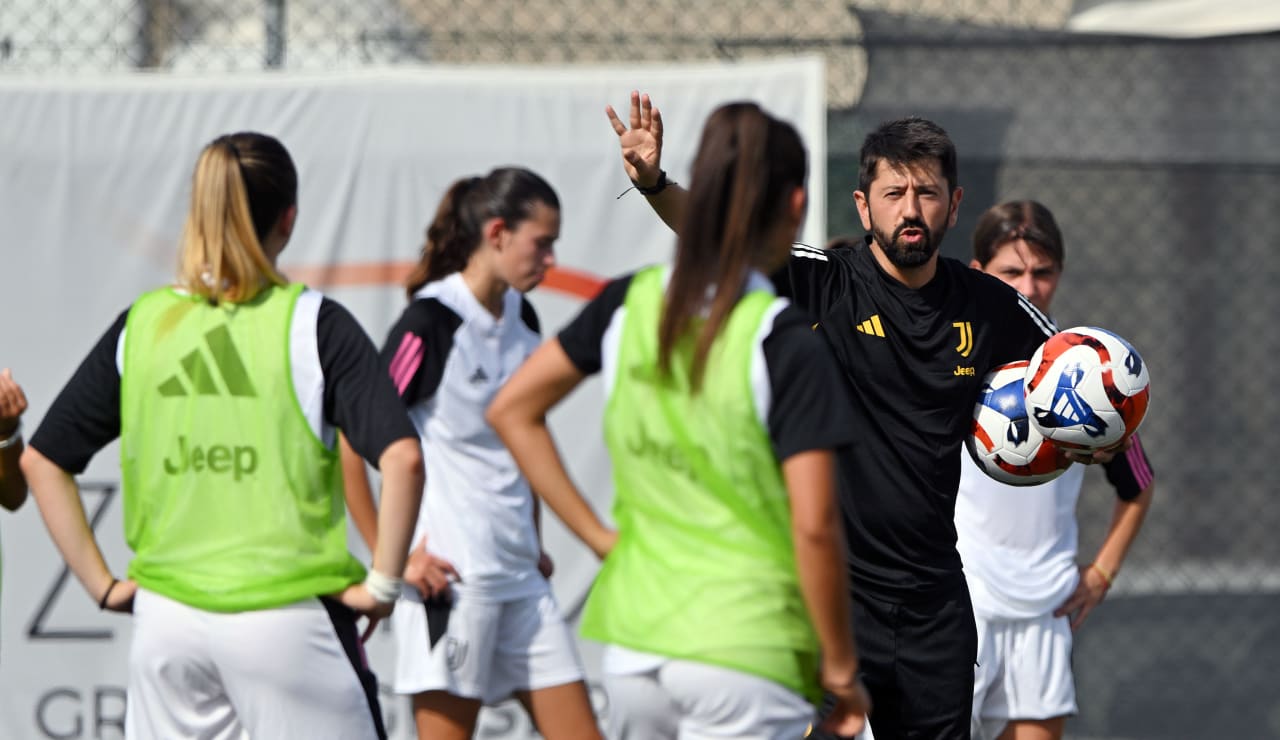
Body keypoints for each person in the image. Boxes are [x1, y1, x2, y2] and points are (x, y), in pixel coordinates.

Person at [607, 91, 1070, 739]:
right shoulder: (824, 280)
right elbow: (716, 241)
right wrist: (655, 183)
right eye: (894, 193)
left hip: (935, 602)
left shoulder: (991, 306)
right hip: (832, 596)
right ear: (863, 204)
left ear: (955, 204)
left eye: (928, 193)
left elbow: (1081, 375)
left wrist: (1107, 442)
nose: (911, 210)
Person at [19, 132, 423, 740]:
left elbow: (43, 460)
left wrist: (103, 587)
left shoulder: (145, 324)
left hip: (167, 626)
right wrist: (384, 585)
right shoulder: (312, 324)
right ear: (288, 218)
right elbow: (404, 458)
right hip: (286, 620)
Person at [489, 101, 870, 740]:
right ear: (797, 205)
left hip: (637, 654)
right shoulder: (780, 340)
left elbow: (511, 410)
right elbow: (814, 528)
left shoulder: (627, 302)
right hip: (746, 652)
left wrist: (600, 539)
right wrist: (838, 667)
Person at [343, 166, 602, 740]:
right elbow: (350, 439)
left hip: (522, 584)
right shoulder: (430, 322)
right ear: (497, 234)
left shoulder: (525, 319)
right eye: (543, 242)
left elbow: (522, 437)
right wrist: (395, 561)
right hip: (453, 589)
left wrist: (533, 540)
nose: (552, 259)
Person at [957, 200, 1156, 740]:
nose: (1030, 286)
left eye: (1042, 272)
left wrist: (1101, 574)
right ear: (979, 274)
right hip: (963, 601)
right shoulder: (956, 359)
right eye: (1012, 272)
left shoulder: (1087, 374)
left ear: (1060, 274)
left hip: (1047, 605)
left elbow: (1138, 483)